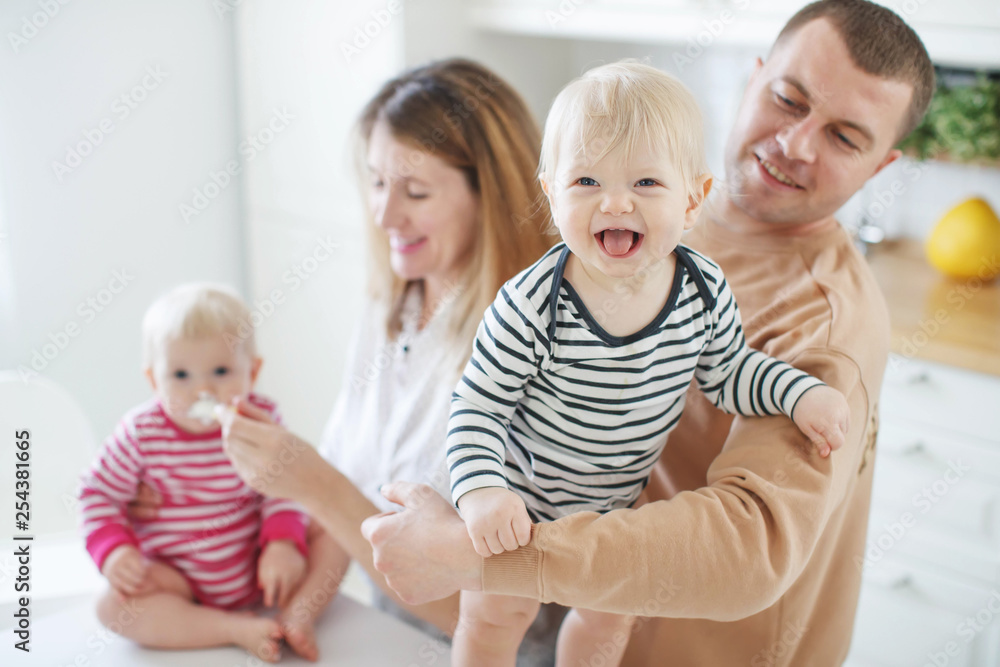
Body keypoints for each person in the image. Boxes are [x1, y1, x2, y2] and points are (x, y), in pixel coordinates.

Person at [358, 1, 935, 665]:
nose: (797, 143)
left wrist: (475, 552)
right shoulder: (659, 224)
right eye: (787, 99)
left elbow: (749, 546)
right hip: (564, 579)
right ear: (753, 79)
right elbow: (487, 394)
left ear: (880, 166)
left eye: (844, 138)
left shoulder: (823, 325)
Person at [131, 59, 563, 663]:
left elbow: (498, 620)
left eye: (415, 191)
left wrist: (315, 485)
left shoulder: (538, 352)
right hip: (390, 637)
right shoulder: (395, 305)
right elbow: (350, 499)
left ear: (488, 196)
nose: (385, 215)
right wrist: (291, 606)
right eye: (377, 182)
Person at [447, 61, 850, 667]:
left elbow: (731, 374)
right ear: (549, 190)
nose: (615, 202)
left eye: (645, 184)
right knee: (492, 619)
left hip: (612, 520)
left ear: (694, 199)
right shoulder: (533, 302)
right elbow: (477, 405)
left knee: (608, 624)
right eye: (585, 181)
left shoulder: (702, 289)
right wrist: (481, 491)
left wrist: (799, 394)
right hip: (519, 503)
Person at [79, 284, 309, 662]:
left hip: (258, 569)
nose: (203, 388)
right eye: (181, 375)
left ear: (252, 371)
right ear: (154, 380)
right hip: (176, 581)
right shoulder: (142, 432)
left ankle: (299, 616)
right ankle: (229, 628)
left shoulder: (259, 421)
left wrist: (283, 544)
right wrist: (115, 551)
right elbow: (97, 495)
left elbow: (285, 490)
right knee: (111, 608)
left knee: (331, 528)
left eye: (221, 370)